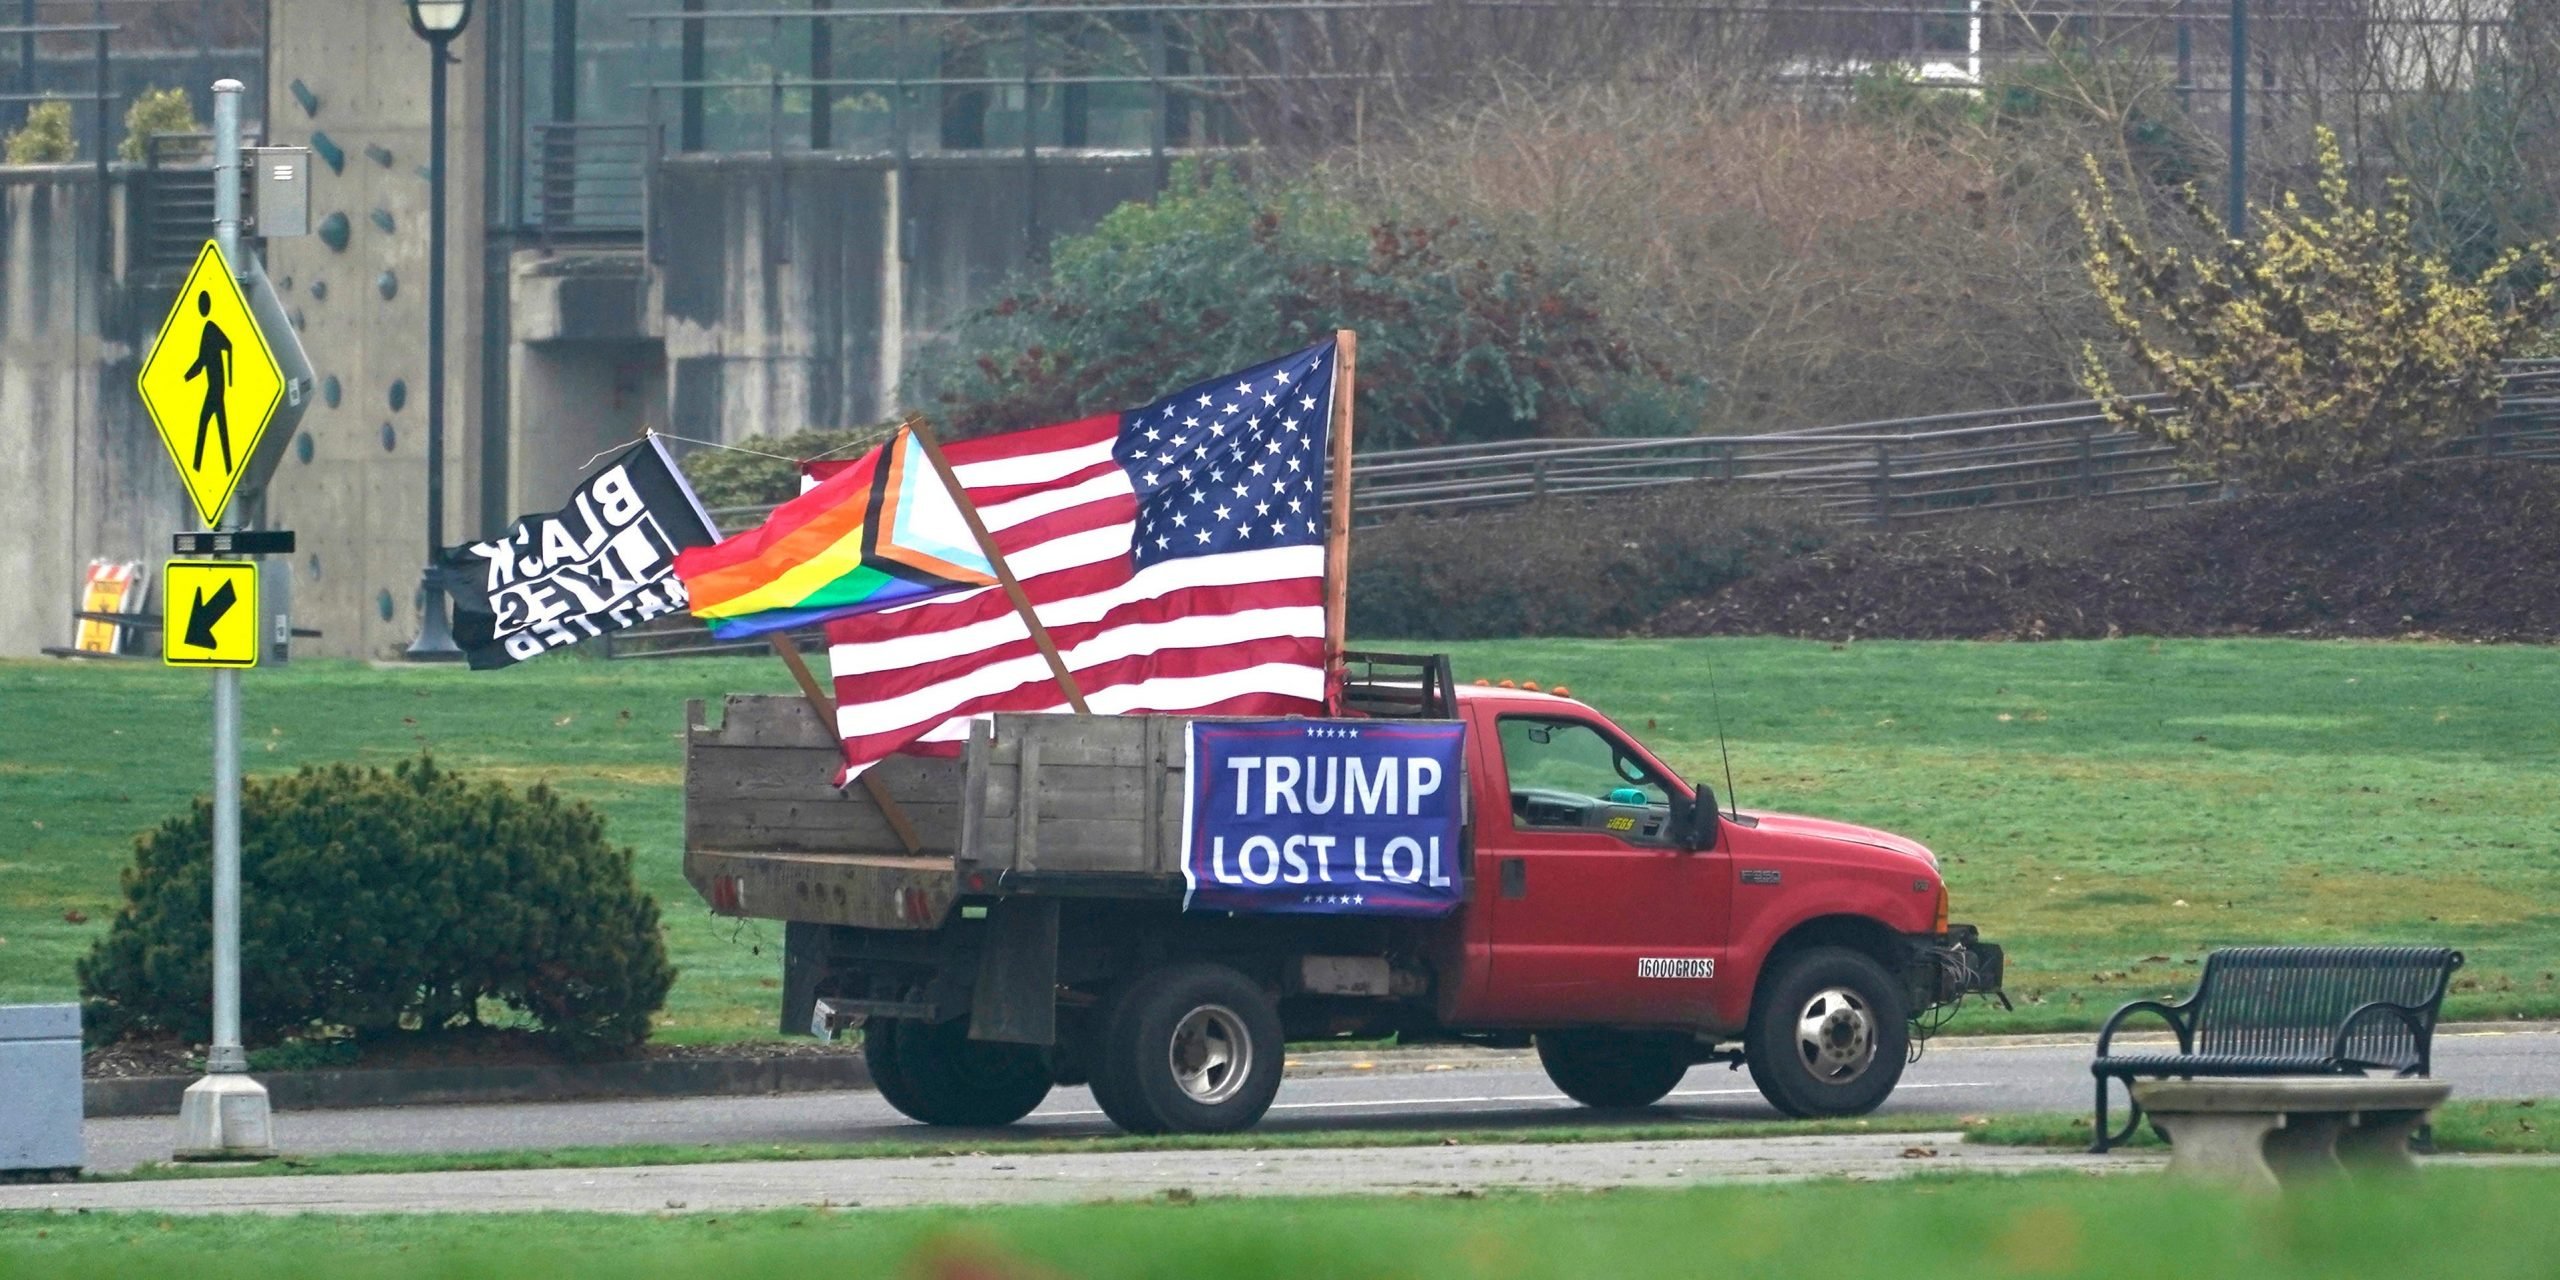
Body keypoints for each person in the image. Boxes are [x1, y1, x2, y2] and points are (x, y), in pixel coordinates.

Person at [184, 290, 234, 472]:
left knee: (206, 423)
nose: (200, 308)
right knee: (219, 428)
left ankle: (199, 465)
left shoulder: (210, 329)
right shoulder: (209, 328)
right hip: (215, 387)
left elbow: (205, 359)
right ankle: (227, 467)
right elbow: (204, 360)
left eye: (202, 305)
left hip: (216, 388)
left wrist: (231, 376)